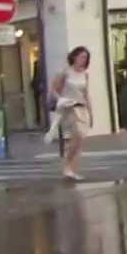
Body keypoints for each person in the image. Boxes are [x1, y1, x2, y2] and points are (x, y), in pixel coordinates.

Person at [43, 46, 93, 182]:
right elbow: (53, 89)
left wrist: (91, 111)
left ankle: (72, 168)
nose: (83, 60)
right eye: (81, 56)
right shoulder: (65, 72)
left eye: (86, 58)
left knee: (79, 139)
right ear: (74, 56)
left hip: (82, 107)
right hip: (69, 108)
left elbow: (86, 94)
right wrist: (61, 100)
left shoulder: (85, 73)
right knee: (76, 134)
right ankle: (67, 165)